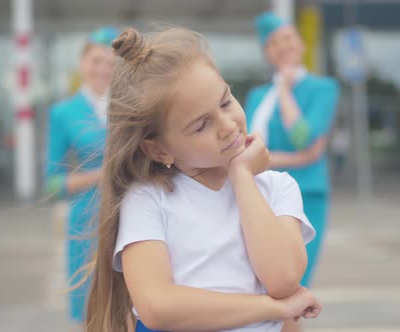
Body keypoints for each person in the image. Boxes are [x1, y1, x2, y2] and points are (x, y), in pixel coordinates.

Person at [84, 27, 322, 332]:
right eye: (200, 126)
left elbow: (283, 277)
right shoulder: (148, 198)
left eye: (225, 102)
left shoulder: (277, 187)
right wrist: (271, 308)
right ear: (158, 148)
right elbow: (157, 306)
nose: (227, 125)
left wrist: (242, 176)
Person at [246, 10, 340, 294]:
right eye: (275, 43)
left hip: (305, 198)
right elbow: (245, 146)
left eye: (288, 38)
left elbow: (304, 139)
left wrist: (285, 90)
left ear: (301, 43)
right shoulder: (258, 96)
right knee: (260, 286)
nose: (283, 46)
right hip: (259, 197)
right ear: (267, 52)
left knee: (292, 285)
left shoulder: (322, 89)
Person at [44, 26, 118, 327]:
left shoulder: (131, 107)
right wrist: (102, 174)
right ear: (82, 63)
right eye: (96, 60)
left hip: (131, 212)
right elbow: (52, 183)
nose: (103, 69)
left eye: (111, 63)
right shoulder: (64, 112)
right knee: (91, 311)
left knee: (131, 306)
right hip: (86, 222)